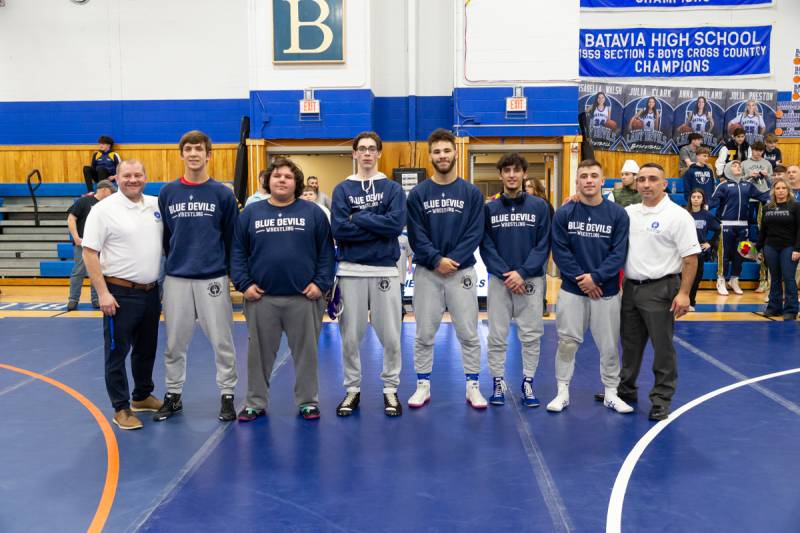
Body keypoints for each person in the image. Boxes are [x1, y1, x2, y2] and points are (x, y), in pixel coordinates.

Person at [231, 157, 335, 421]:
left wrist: (320, 284)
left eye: (288, 177)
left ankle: (308, 402)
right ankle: (255, 402)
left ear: (296, 183)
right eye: (276, 175)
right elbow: (237, 253)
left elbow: (326, 253)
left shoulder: (313, 213)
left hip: (305, 298)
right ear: (267, 181)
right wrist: (245, 285)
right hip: (261, 298)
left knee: (307, 354)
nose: (281, 180)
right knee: (258, 356)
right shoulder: (250, 214)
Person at [155, 130, 240, 423]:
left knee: (222, 340)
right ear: (181, 155)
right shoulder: (167, 193)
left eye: (198, 149)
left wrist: (231, 273)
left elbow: (232, 237)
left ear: (208, 155)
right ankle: (173, 394)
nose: (193, 154)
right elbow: (166, 237)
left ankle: (227, 394)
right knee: (174, 342)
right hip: (177, 277)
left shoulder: (221, 194)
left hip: (212, 277)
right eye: (188, 149)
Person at [406, 128, 486, 409]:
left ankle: (473, 386)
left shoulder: (472, 193)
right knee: (424, 333)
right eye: (437, 151)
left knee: (468, 332)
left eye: (446, 150)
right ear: (430, 156)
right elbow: (416, 235)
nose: (442, 156)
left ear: (455, 153)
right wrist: (436, 260)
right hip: (428, 272)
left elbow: (475, 232)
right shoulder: (418, 194)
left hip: (461, 272)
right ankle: (422, 386)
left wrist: (451, 260)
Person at [81, 160, 164, 430]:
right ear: (116, 178)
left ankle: (141, 396)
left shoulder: (155, 205)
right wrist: (102, 292)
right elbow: (89, 252)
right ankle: (121, 407)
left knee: (146, 349)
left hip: (151, 291)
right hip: (118, 292)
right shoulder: (103, 210)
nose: (132, 180)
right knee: (117, 352)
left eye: (138, 175)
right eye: (126, 175)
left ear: (146, 177)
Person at [330, 131, 406, 417]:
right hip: (350, 271)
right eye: (361, 149)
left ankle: (390, 389)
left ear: (378, 153)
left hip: (385, 269)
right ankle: (352, 389)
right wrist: (376, 224)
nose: (366, 153)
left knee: (391, 335)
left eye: (372, 149)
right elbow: (339, 228)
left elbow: (395, 225)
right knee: (350, 336)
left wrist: (357, 218)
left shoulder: (392, 189)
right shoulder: (342, 189)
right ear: (354, 154)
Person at [617, 163, 701, 421]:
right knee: (630, 345)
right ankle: (626, 390)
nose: (646, 184)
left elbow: (691, 258)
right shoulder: (629, 212)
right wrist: (576, 196)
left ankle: (661, 398)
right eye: (641, 179)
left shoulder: (678, 215)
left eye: (652, 179)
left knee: (662, 347)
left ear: (664, 184)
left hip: (661, 288)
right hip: (630, 288)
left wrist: (684, 293)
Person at [548, 159, 632, 414]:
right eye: (583, 176)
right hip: (573, 290)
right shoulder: (565, 213)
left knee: (608, 344)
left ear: (602, 180)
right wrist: (583, 280)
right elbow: (560, 251)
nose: (588, 180)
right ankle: (562, 392)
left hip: (605, 290)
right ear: (577, 181)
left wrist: (596, 278)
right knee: (567, 342)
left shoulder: (617, 214)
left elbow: (619, 253)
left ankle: (610, 393)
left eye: (594, 175)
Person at [480, 153, 550, 408]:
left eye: (516, 170)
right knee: (497, 335)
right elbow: (486, 246)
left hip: (530, 281)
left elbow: (544, 244)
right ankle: (498, 381)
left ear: (523, 174)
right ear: (500, 175)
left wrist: (522, 272)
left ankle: (528, 382)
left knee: (531, 335)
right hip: (500, 281)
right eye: (506, 170)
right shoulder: (490, 209)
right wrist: (506, 274)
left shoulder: (539, 207)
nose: (511, 175)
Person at [710, 160, 770, 295]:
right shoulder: (723, 186)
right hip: (726, 225)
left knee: (741, 253)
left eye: (739, 166)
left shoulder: (747, 185)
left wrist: (774, 191)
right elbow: (712, 202)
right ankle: (721, 279)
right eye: (734, 165)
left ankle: (734, 279)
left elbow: (763, 196)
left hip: (743, 226)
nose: (737, 167)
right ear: (727, 170)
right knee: (724, 254)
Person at [66, 180, 115, 310]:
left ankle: (96, 298)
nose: (112, 195)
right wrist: (76, 237)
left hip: (102, 245)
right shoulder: (84, 201)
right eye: (111, 192)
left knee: (98, 272)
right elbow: (71, 218)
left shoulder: (109, 205)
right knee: (79, 272)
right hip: (83, 244)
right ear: (104, 189)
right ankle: (73, 299)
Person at [756, 178, 800, 320]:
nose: (780, 191)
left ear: (788, 190)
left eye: (783, 188)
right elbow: (763, 230)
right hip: (770, 247)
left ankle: (791, 310)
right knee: (774, 278)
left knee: (788, 278)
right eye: (778, 188)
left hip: (789, 247)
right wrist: (758, 248)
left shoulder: (795, 206)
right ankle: (774, 307)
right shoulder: (768, 207)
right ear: (773, 190)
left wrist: (797, 249)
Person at [686, 189, 720, 311]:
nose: (696, 199)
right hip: (684, 250)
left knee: (696, 278)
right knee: (681, 278)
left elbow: (718, 228)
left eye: (698, 197)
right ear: (690, 198)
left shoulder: (707, 215)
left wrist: (709, 243)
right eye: (693, 196)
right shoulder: (684, 213)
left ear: (702, 199)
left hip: (698, 250)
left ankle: (691, 302)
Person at [525, 177, 554, 316]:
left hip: (541, 246)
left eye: (529, 186)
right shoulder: (525, 204)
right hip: (528, 246)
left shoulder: (545, 205)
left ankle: (541, 303)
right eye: (525, 186)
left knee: (541, 275)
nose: (526, 189)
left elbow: (550, 228)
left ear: (536, 188)